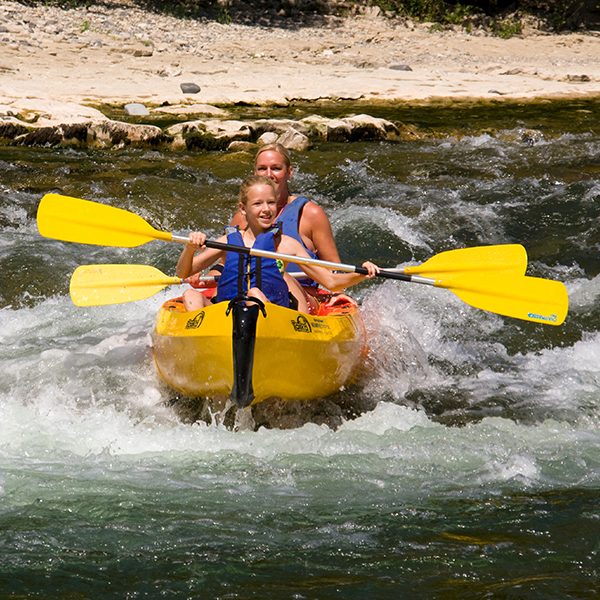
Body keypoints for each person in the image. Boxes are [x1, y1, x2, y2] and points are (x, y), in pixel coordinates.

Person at [177, 175, 379, 313]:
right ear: (243, 209)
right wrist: (189, 248)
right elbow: (183, 273)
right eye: (257, 204)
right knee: (190, 295)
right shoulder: (228, 242)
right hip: (227, 316)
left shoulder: (287, 245)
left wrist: (361, 273)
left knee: (254, 294)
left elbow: (331, 282)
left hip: (273, 317)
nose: (266, 209)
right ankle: (204, 352)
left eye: (271, 203)